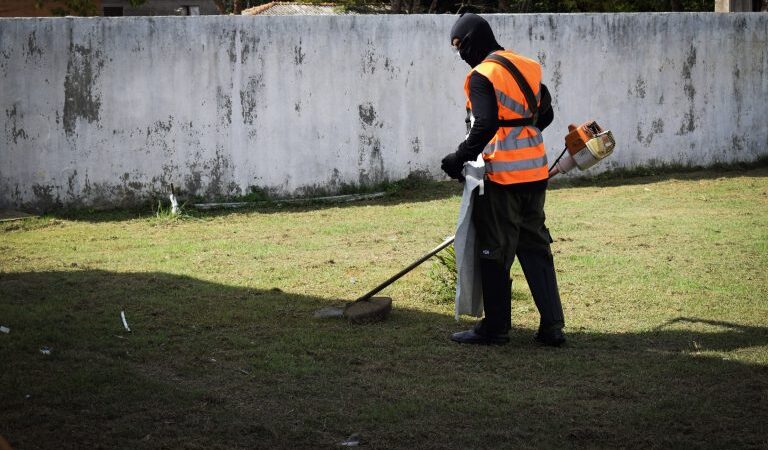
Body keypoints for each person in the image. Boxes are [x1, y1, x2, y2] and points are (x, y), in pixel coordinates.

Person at [442, 13, 566, 346]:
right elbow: (547, 113)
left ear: (473, 41)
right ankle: (552, 328)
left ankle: (496, 328)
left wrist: (456, 160)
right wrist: (523, 135)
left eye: (461, 47)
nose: (461, 56)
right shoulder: (526, 66)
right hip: (535, 174)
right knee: (536, 247)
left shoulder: (482, 75)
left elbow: (483, 125)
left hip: (502, 178)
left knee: (494, 252)